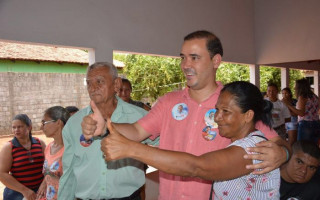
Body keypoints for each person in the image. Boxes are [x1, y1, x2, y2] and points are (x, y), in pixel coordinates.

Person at [82, 30, 289, 200]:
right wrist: (107, 126)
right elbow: (137, 130)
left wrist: (283, 153)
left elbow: (279, 143)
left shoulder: (233, 108)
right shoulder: (168, 102)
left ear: (216, 60)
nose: (185, 65)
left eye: (194, 58)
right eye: (183, 57)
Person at [102, 81, 281, 199]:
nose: (217, 117)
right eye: (217, 109)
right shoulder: (239, 143)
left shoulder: (252, 149)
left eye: (225, 112)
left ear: (248, 116)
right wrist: (103, 124)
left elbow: (196, 166)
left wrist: (131, 149)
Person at [57, 62, 149, 200]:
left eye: (99, 81)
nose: (93, 88)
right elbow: (69, 172)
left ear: (116, 84)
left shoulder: (139, 117)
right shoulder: (74, 124)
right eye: (88, 83)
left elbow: (166, 145)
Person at [0, 114, 46, 200]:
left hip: (40, 191)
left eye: (20, 127)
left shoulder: (40, 143)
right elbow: (2, 174)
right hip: (17, 193)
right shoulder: (9, 147)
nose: (16, 130)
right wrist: (25, 191)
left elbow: (49, 166)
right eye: (14, 127)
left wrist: (44, 184)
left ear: (29, 127)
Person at [36, 106, 70, 200]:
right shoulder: (48, 147)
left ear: (58, 122)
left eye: (44, 122)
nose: (41, 127)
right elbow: (49, 172)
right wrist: (44, 184)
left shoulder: (70, 150)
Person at [283, 78, 320, 143]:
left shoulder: (302, 97)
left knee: (302, 147)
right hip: (316, 123)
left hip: (306, 125)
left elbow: (301, 113)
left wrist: (288, 105)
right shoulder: (315, 96)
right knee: (313, 148)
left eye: (296, 86)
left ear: (300, 87)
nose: (294, 88)